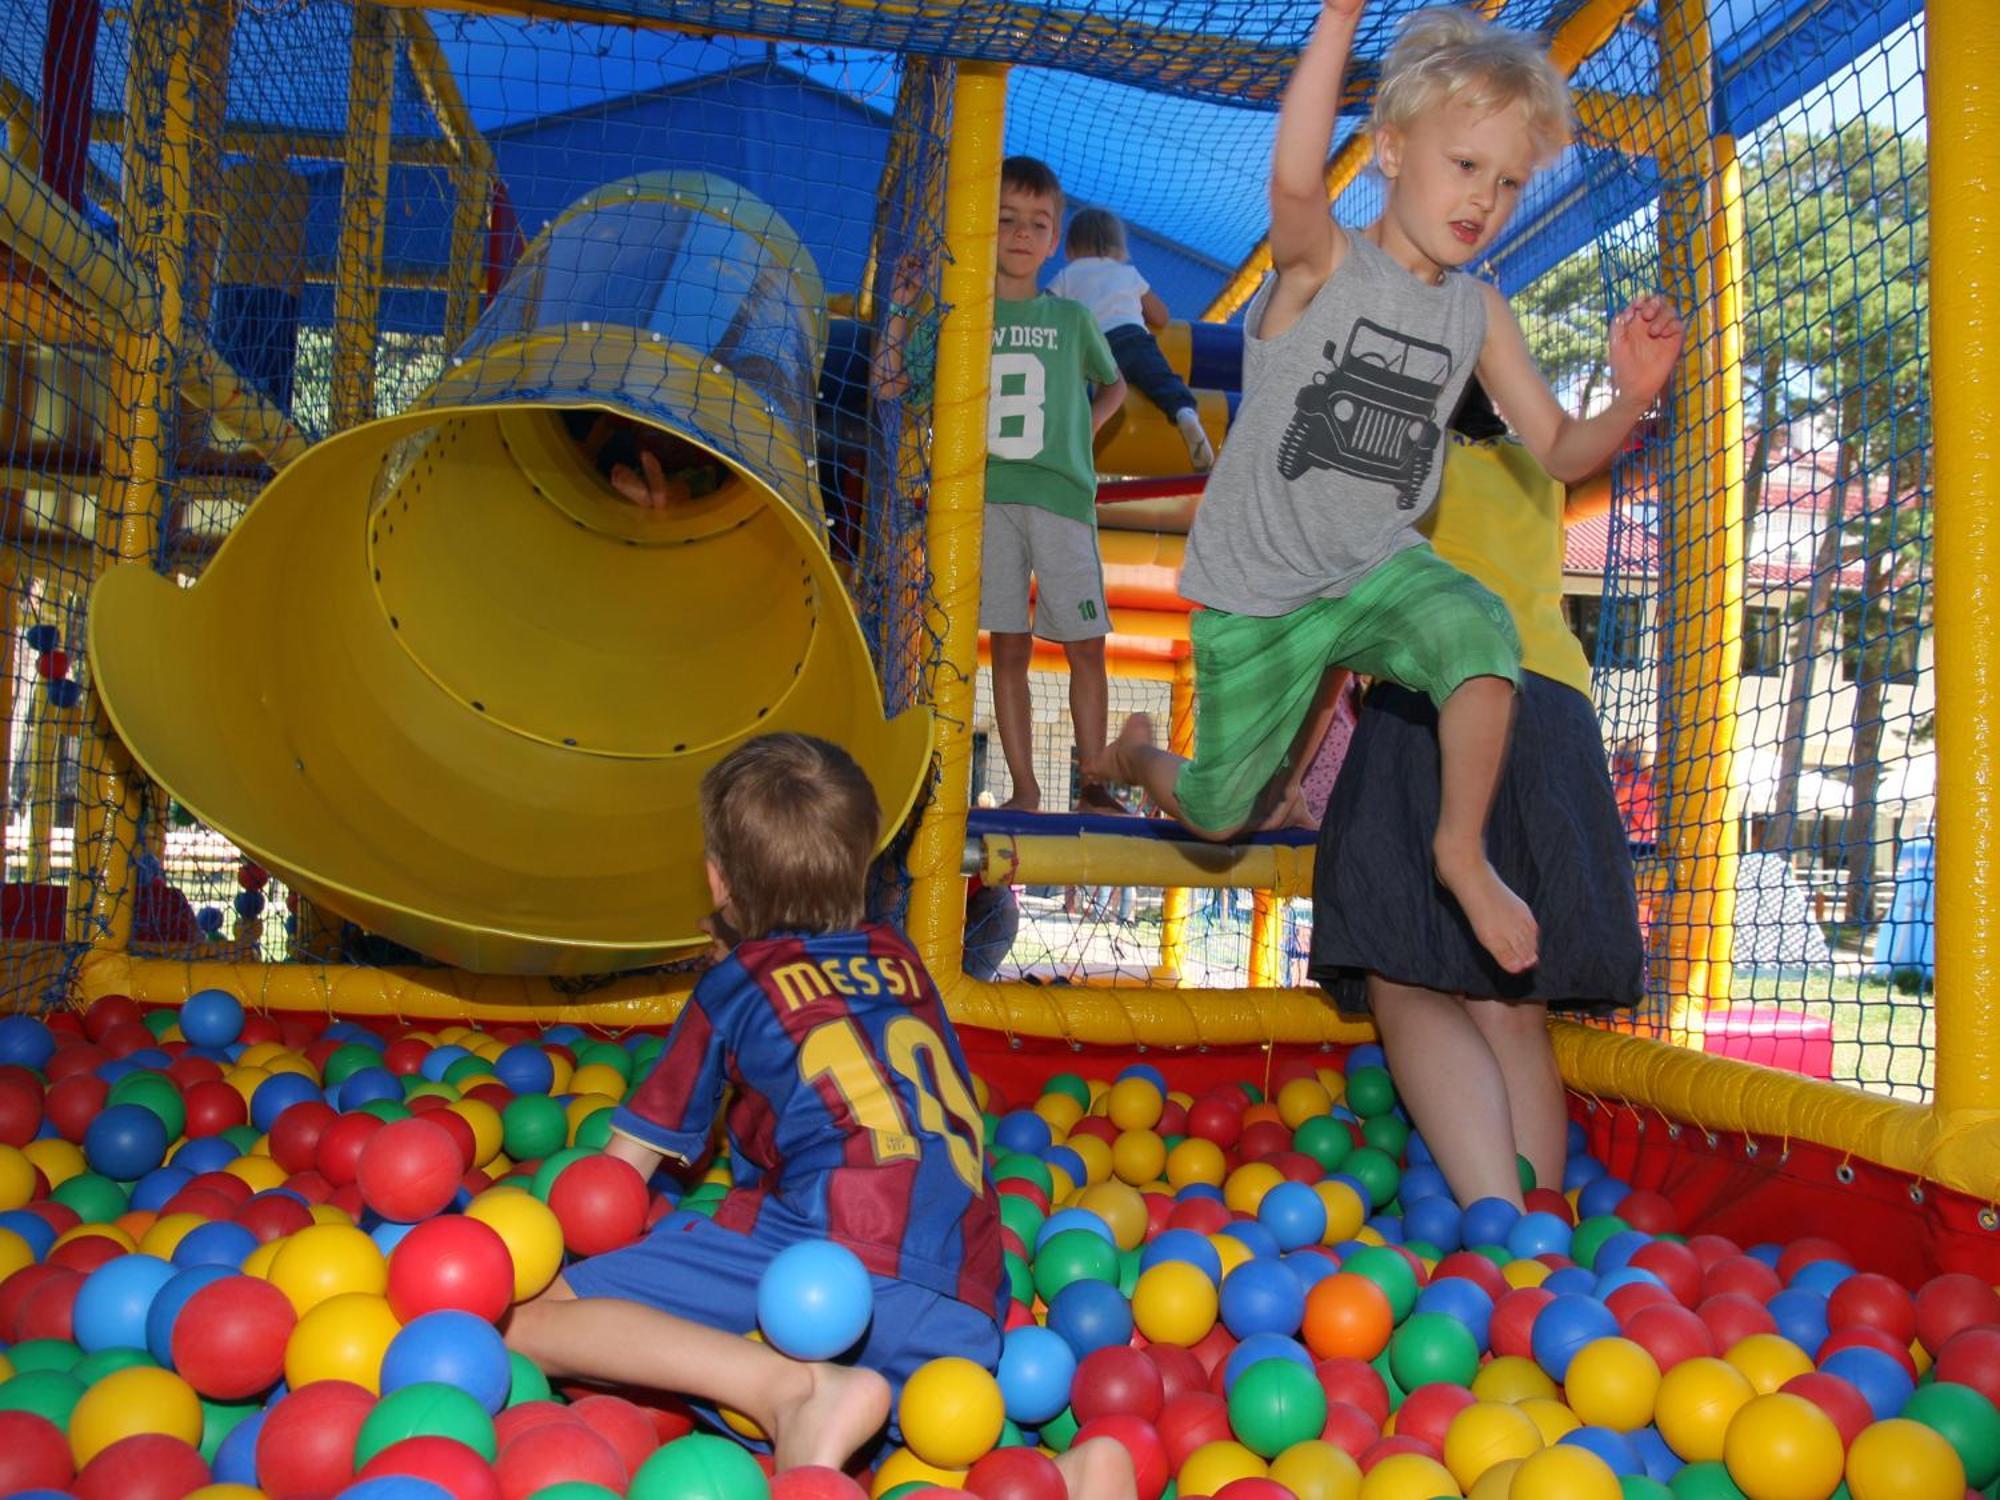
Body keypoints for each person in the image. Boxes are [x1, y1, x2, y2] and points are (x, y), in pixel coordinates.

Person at [1098, 0, 1683, 975]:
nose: (1482, 201)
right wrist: (1337, 20)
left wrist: (1628, 399)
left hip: (1373, 567)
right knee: (1219, 810)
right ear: (1393, 149)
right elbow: (1291, 182)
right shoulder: (1323, 265)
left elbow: (1555, 450)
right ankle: (1129, 753)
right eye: (1464, 167)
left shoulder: (1476, 310)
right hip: (1262, 587)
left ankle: (1458, 852)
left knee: (1478, 632)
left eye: (1504, 182)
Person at [504, 734, 1132, 1500]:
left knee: (523, 1325)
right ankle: (1067, 1477)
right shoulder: (904, 962)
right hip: (968, 1306)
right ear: (865, 866)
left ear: (715, 879)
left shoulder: (734, 986)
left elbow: (618, 1175)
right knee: (929, 1446)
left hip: (823, 1259)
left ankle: (783, 1391)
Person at [1309, 379, 1645, 1204]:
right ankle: (1543, 1234)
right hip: (1557, 722)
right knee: (1510, 994)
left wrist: (1292, 773)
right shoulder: (1538, 466)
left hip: (1442, 702)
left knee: (1404, 975)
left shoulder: (1392, 461)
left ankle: (1495, 1222)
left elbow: (1334, 634)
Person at [876, 158, 1130, 815]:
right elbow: (888, 385)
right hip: (985, 499)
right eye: (1005, 221)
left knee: (1085, 643)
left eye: (1036, 224)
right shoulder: (960, 317)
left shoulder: (1072, 319)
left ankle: (1095, 782)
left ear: (1054, 242)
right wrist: (902, 311)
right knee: (1007, 648)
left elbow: (1117, 385)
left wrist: (1082, 436)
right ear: (981, 231)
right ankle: (1024, 786)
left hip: (1062, 500)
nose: (1020, 234)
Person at [1049, 208, 1215, 472]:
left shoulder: (1068, 275)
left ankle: (1084, 432)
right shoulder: (1128, 274)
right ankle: (1185, 412)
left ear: (1070, 247)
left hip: (1094, 343)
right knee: (1162, 380)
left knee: (1098, 389)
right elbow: (1160, 317)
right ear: (1119, 246)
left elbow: (1047, 308)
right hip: (1134, 338)